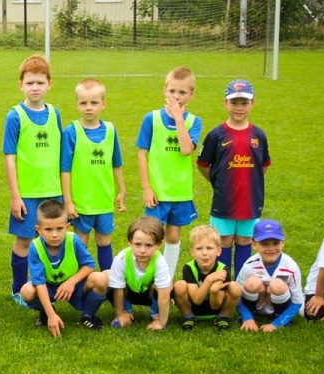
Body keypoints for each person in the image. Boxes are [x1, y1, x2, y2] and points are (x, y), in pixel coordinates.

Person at [3, 55, 63, 301]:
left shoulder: (55, 114)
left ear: (49, 84)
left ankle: (45, 287)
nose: (35, 88)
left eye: (40, 82)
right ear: (21, 85)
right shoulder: (15, 116)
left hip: (54, 190)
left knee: (51, 240)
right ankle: (18, 290)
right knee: (25, 241)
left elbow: (62, 155)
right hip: (27, 193)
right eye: (29, 83)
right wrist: (15, 196)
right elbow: (9, 157)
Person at [197, 79, 271, 276]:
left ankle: (241, 284)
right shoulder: (216, 135)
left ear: (252, 103)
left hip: (250, 200)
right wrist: (218, 182)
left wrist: (249, 181)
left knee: (245, 240)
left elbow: (264, 166)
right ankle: (223, 284)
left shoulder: (259, 135)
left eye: (244, 103)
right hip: (224, 200)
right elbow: (202, 164)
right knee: (223, 241)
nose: (239, 108)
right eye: (234, 102)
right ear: (225, 103)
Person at [135, 66, 203, 275]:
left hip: (179, 193)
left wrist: (179, 119)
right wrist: (147, 188)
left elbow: (186, 149)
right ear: (165, 90)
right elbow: (142, 154)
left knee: (173, 237)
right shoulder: (152, 118)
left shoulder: (194, 122)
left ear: (192, 94)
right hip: (157, 193)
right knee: (150, 237)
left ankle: (167, 280)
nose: (176, 96)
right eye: (172, 91)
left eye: (182, 92)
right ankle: (147, 278)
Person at [60, 78, 126, 274]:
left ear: (103, 104)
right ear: (76, 105)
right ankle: (80, 281)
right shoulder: (71, 132)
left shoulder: (111, 130)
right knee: (81, 241)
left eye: (94, 102)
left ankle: (109, 281)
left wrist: (122, 190)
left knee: (104, 240)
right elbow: (65, 170)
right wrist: (68, 201)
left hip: (104, 200)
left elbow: (116, 164)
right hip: (81, 202)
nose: (88, 107)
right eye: (83, 103)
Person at [19, 200, 108, 337]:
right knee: (27, 291)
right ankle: (47, 312)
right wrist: (51, 314)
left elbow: (90, 265)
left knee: (102, 279)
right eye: (48, 230)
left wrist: (71, 283)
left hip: (75, 285)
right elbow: (39, 282)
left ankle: (88, 316)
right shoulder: (35, 247)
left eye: (59, 229)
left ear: (67, 227)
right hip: (49, 287)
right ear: (39, 230)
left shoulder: (73, 240)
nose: (55, 235)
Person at [235, 219, 303, 332]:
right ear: (254, 244)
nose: (271, 249)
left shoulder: (291, 266)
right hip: (257, 304)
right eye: (264, 244)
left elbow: (297, 301)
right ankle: (252, 314)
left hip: (279, 306)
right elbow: (236, 295)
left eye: (275, 243)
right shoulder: (249, 265)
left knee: (277, 285)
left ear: (283, 243)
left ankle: (280, 316)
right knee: (252, 283)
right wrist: (247, 317)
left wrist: (277, 324)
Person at [106, 216, 172, 331]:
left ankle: (156, 314)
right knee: (110, 281)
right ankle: (126, 311)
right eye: (137, 244)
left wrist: (162, 322)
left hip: (149, 294)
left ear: (159, 244)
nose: (142, 250)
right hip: (128, 292)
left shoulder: (160, 261)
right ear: (129, 242)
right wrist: (120, 313)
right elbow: (117, 289)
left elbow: (164, 295)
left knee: (168, 285)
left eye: (149, 245)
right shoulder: (121, 258)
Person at [172, 225, 241, 331]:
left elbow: (215, 306)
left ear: (218, 251)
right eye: (199, 248)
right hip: (195, 307)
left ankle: (222, 317)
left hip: (216, 309)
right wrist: (209, 280)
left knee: (235, 287)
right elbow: (196, 300)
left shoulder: (222, 270)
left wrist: (214, 291)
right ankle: (188, 317)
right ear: (192, 252)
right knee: (179, 285)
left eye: (209, 248)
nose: (204, 253)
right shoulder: (189, 268)